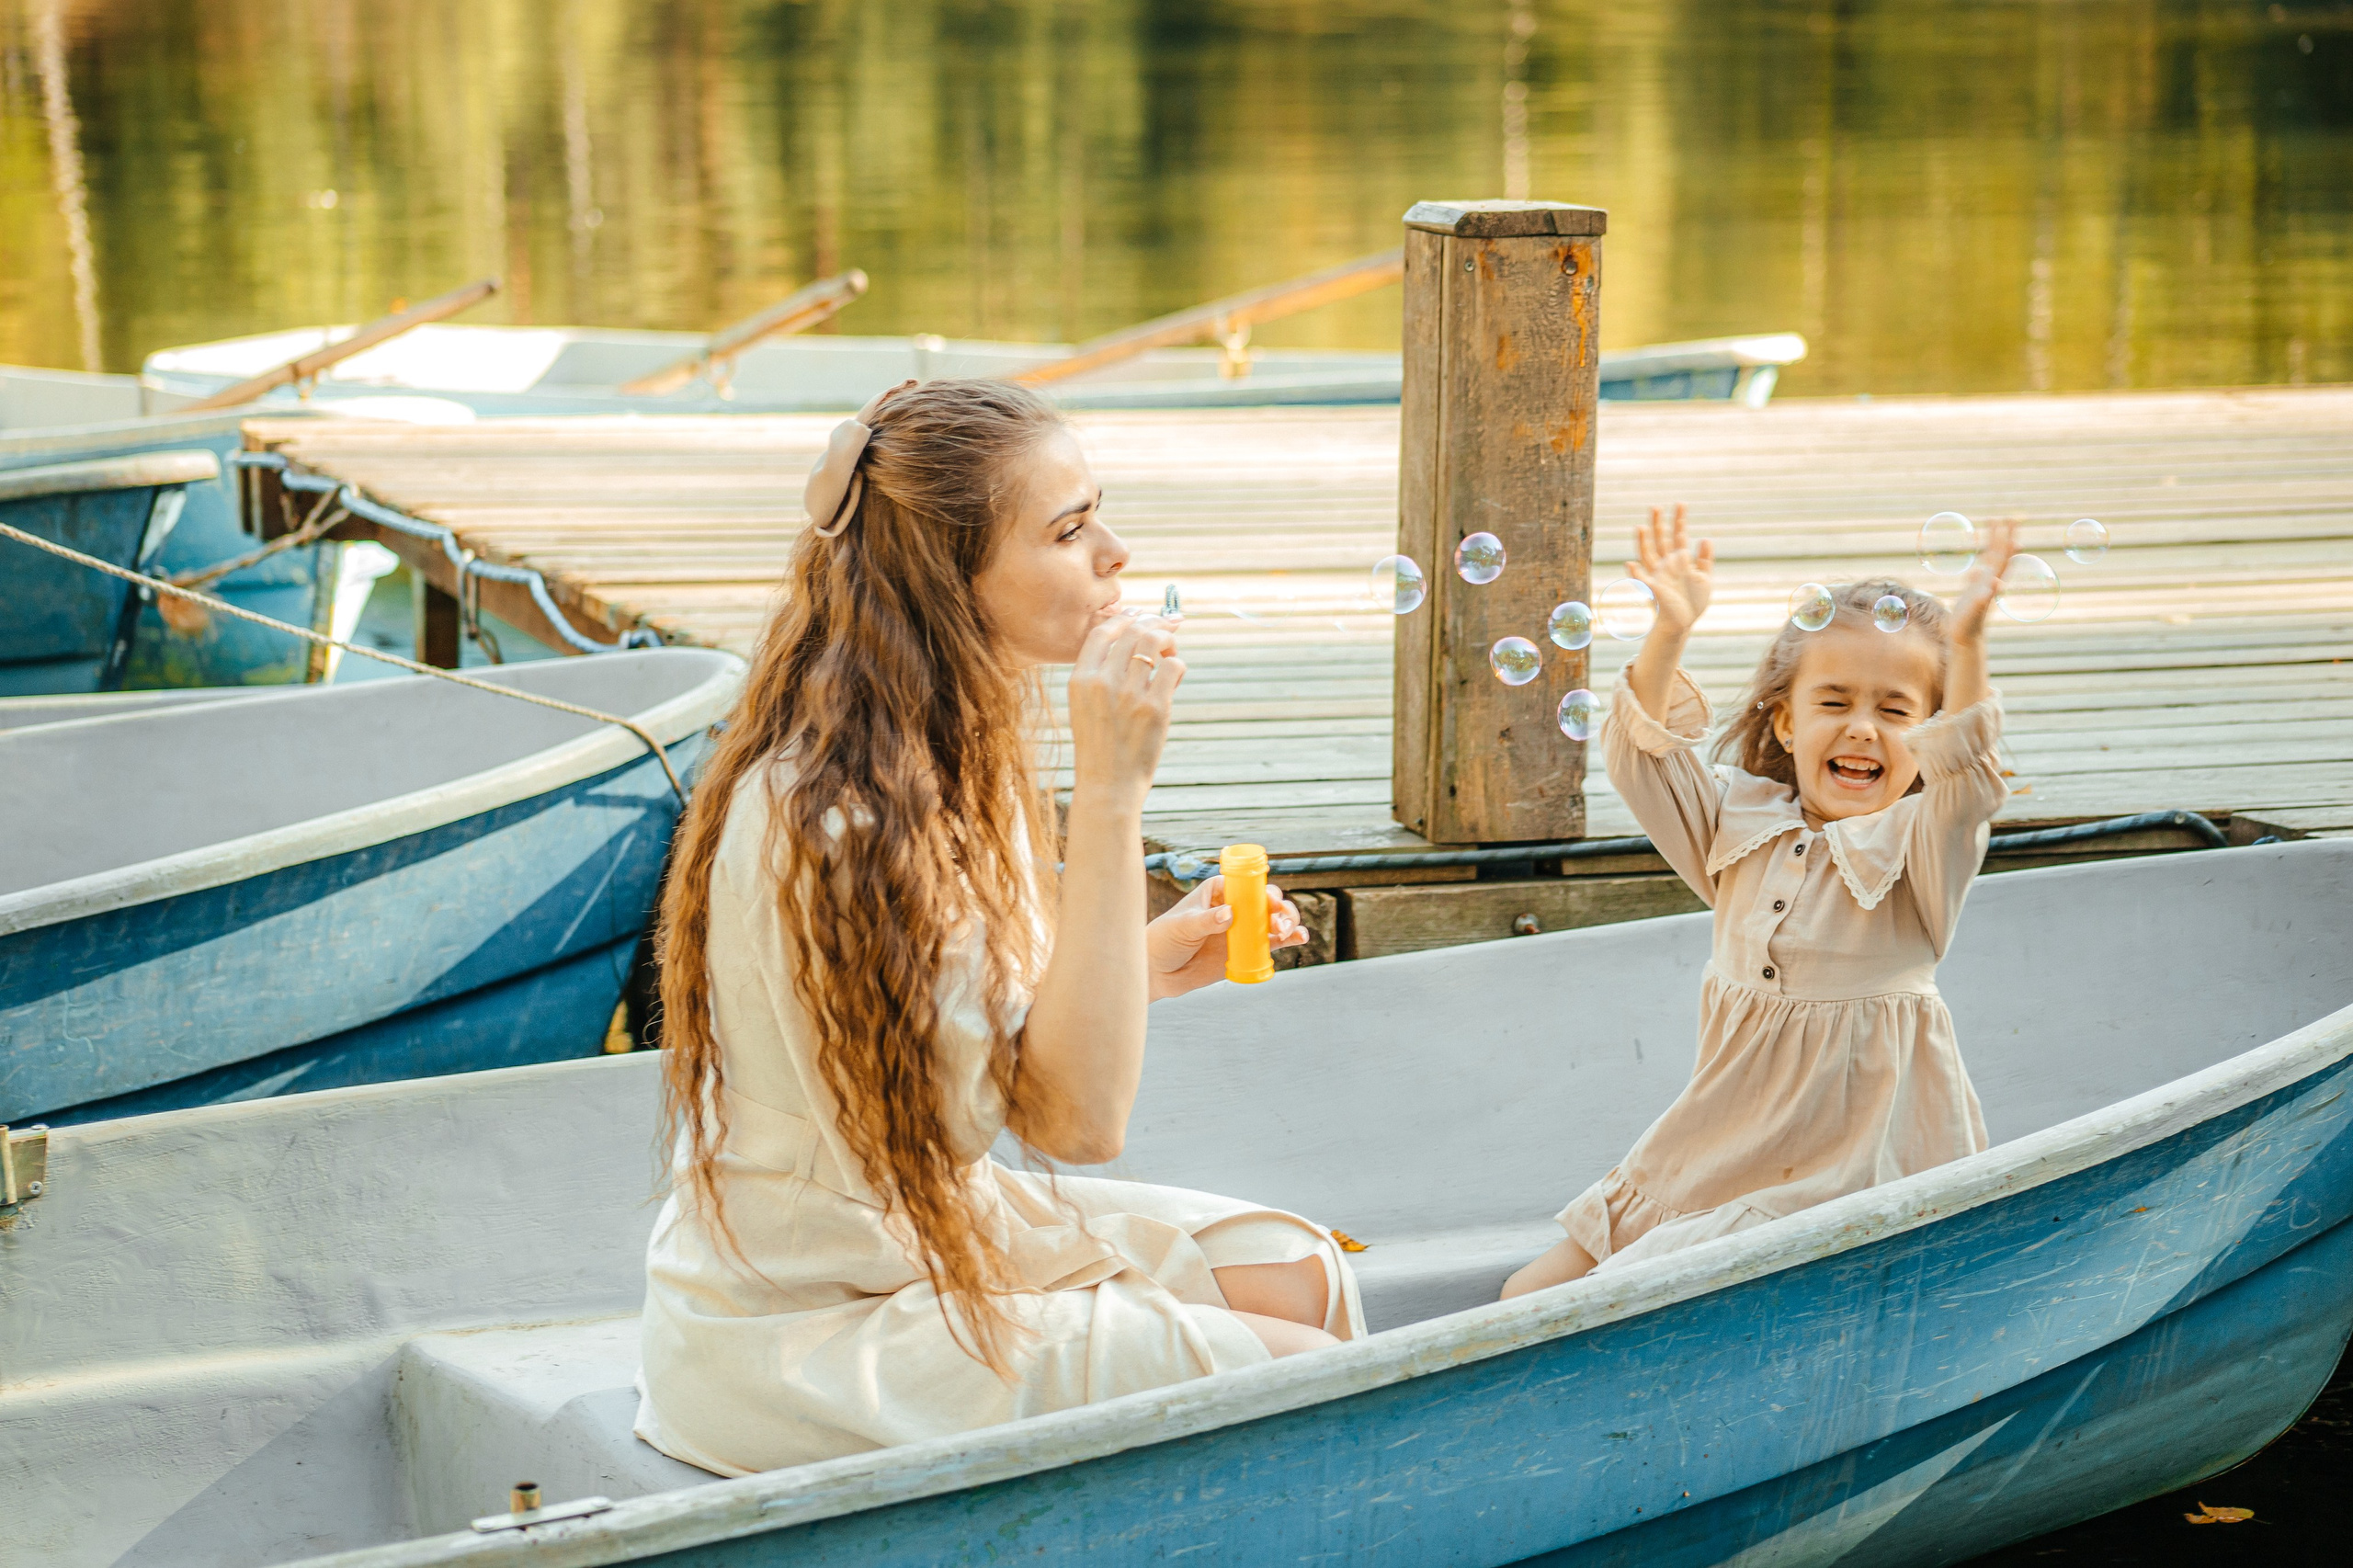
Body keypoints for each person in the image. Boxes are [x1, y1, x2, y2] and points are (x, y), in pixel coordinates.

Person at [634, 379, 1364, 1478]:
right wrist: (1116, 787)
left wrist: (1142, 965)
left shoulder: (929, 746)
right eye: (1069, 530)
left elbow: (959, 1023)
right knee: (1308, 1369)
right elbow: (1072, 1120)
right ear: (950, 578)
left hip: (923, 1234)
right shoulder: (853, 819)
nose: (1114, 553)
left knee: (1297, 1269)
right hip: (807, 1317)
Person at [1502, 506, 2018, 1297]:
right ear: (1784, 719)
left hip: (1845, 1174)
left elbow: (1966, 778)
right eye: (1834, 701)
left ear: (1932, 732)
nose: (1863, 730)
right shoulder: (1740, 828)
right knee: (1525, 1294)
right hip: (1713, 1146)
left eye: (1896, 710)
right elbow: (1644, 762)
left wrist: (1971, 646)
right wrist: (1671, 630)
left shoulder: (1925, 848)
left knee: (1589, 1304)